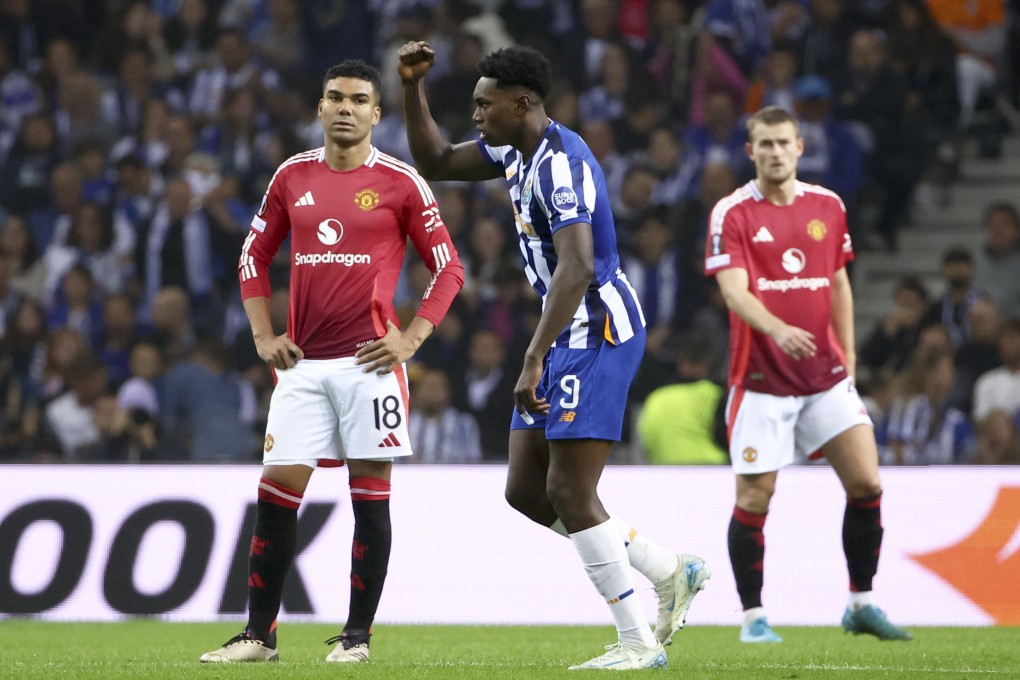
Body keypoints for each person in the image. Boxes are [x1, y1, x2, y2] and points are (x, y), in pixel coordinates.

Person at [398, 42, 708, 670]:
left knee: (569, 488)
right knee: (525, 490)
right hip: (562, 332)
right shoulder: (514, 149)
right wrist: (411, 86)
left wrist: (532, 357)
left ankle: (636, 643)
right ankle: (669, 569)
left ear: (523, 103)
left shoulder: (560, 165)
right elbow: (432, 159)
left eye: (485, 105)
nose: (477, 115)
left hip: (595, 331)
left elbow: (576, 268)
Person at [199, 59, 464, 664]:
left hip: (370, 364)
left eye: (358, 100)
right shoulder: (292, 176)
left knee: (369, 498)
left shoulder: (401, 182)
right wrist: (264, 335)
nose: (345, 108)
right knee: (275, 497)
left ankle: (356, 639)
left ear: (377, 112)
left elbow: (449, 268)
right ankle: (259, 637)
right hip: (300, 368)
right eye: (334, 98)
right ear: (319, 108)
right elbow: (252, 257)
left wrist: (411, 340)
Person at [704, 106, 912, 643]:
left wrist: (850, 358)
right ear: (750, 152)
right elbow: (733, 291)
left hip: (826, 379)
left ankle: (861, 603)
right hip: (761, 383)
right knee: (755, 498)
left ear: (800, 147)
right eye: (764, 144)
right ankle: (753, 618)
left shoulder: (828, 206)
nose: (775, 152)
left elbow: (838, 283)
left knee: (867, 482)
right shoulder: (732, 214)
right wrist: (775, 328)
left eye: (783, 143)